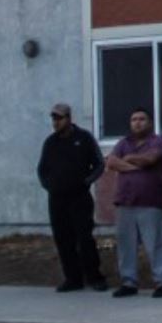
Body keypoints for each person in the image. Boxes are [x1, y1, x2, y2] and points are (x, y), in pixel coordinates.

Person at [37, 101, 106, 292]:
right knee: (62, 239)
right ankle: (73, 279)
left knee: (84, 238)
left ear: (69, 118)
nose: (55, 122)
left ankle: (95, 276)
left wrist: (86, 182)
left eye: (59, 118)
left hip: (79, 197)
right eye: (53, 118)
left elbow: (99, 165)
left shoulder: (83, 138)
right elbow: (42, 169)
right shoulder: (50, 142)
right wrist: (48, 185)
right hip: (57, 198)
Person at [106, 107, 162, 298]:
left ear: (150, 122)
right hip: (124, 201)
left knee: (156, 244)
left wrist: (127, 160)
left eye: (142, 119)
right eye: (134, 119)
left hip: (150, 201)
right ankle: (128, 283)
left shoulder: (158, 142)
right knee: (126, 245)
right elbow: (111, 162)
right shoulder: (122, 143)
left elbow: (150, 159)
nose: (137, 122)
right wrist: (136, 167)